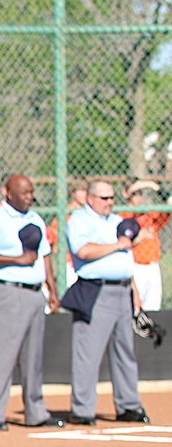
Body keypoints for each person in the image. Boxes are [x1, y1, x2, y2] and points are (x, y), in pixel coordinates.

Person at [0, 174, 63, 430]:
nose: (29, 197)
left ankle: (36, 412)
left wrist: (51, 291)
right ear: (6, 192)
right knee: (2, 355)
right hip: (8, 292)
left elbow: (44, 256)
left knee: (33, 357)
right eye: (23, 192)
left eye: (31, 192)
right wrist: (16, 260)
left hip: (35, 294)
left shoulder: (35, 219)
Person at [65, 180, 150, 425]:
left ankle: (129, 406)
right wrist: (118, 244)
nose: (110, 202)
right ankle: (82, 409)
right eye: (104, 198)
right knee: (88, 354)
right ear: (90, 198)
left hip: (122, 290)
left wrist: (135, 293)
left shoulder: (115, 221)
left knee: (124, 351)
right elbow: (83, 251)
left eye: (112, 198)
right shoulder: (80, 220)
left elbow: (125, 259)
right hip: (95, 290)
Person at [123, 179, 167, 311]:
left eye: (140, 193)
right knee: (135, 307)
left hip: (152, 266)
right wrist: (137, 239)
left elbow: (169, 201)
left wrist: (154, 186)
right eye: (136, 193)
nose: (138, 197)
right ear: (126, 194)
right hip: (135, 266)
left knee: (154, 306)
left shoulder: (149, 216)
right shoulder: (124, 215)